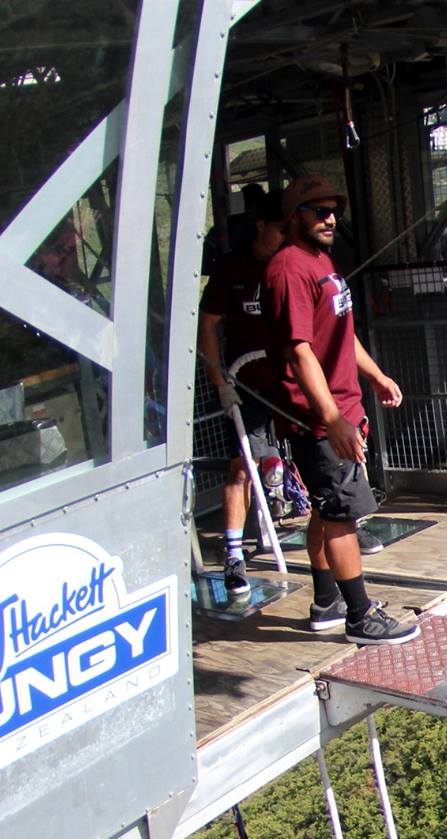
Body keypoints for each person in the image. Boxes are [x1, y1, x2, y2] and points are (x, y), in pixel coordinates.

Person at [263, 173, 417, 645]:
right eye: (318, 211)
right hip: (322, 419)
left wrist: (374, 374)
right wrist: (331, 420)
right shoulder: (290, 268)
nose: (330, 218)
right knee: (342, 515)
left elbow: (340, 332)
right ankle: (359, 616)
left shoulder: (320, 262)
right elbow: (300, 349)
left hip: (342, 407)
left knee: (327, 511)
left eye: (334, 211)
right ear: (294, 218)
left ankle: (326, 601)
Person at [198, 189, 286, 599]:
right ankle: (234, 554)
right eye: (280, 228)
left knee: (319, 451)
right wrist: (220, 382)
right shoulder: (233, 268)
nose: (285, 236)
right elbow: (208, 321)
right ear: (261, 226)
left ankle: (346, 526)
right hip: (246, 378)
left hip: (292, 377)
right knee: (241, 466)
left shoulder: (294, 263)